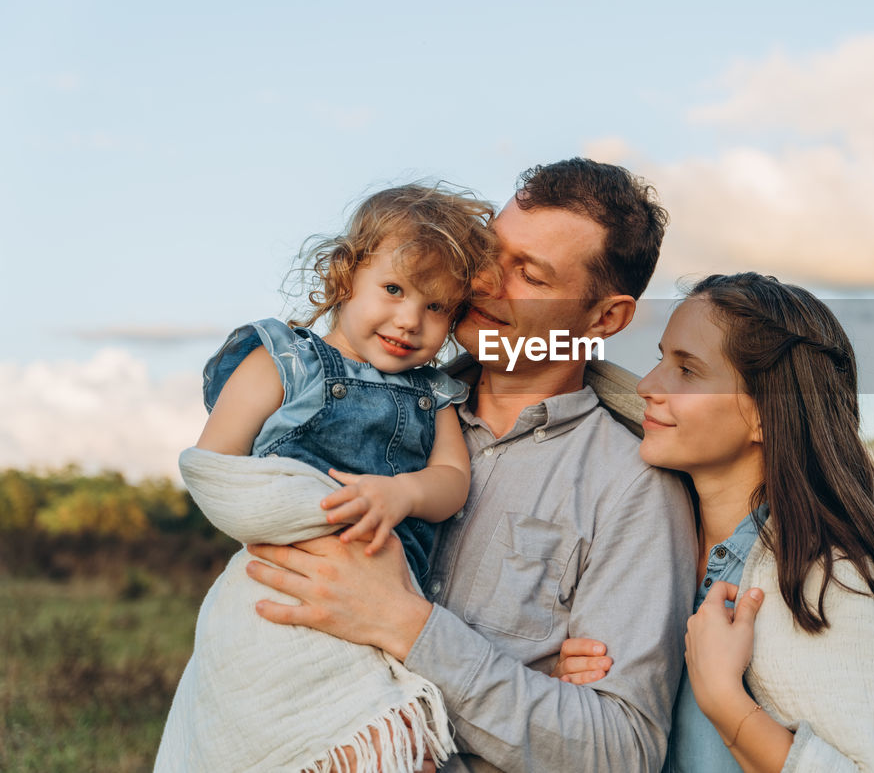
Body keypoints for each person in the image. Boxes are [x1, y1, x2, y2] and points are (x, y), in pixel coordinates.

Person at [245, 158, 698, 772]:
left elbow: (620, 750)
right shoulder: (364, 398)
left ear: (605, 318)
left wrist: (410, 628)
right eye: (488, 253)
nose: (485, 281)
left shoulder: (632, 489)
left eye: (529, 275)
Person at [560, 272, 874, 772]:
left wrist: (726, 702)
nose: (647, 386)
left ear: (764, 416)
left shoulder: (826, 580)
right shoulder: (641, 542)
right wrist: (576, 701)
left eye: (687, 370)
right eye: (660, 358)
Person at [157, 184, 497, 772]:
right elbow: (214, 466)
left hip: (384, 606)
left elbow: (451, 483)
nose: (409, 320)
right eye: (393, 290)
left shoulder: (433, 394)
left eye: (437, 307)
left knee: (389, 748)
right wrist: (312, 512)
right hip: (281, 586)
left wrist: (403, 492)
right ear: (346, 277)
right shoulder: (284, 361)